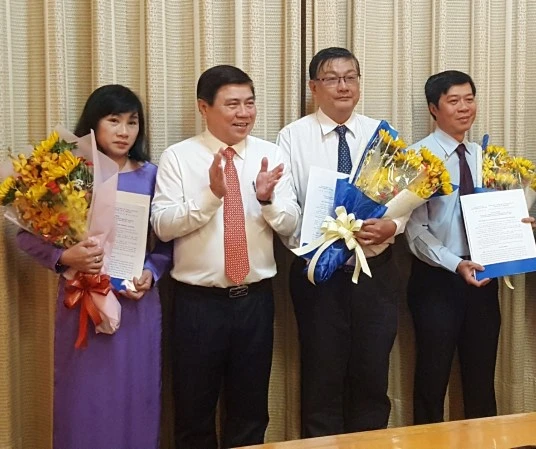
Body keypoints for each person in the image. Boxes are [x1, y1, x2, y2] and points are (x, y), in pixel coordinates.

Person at [151, 65, 300, 449]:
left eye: (250, 103)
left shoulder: (270, 154)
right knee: (193, 414)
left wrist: (266, 199)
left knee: (250, 414)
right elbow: (162, 226)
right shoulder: (178, 157)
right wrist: (211, 196)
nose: (244, 113)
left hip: (255, 302)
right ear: (204, 107)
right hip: (197, 305)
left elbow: (290, 225)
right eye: (232, 104)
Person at [16, 84, 171, 449]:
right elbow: (25, 235)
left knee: (136, 396)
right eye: (113, 120)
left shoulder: (153, 175)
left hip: (135, 304)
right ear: (93, 124)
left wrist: (152, 272)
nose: (124, 131)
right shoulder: (67, 175)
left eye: (132, 122)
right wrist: (65, 257)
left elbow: (168, 242)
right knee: (84, 400)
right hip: (81, 302)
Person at [277, 47, 404, 438]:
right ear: (314, 87)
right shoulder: (292, 137)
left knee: (372, 376)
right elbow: (285, 207)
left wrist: (393, 226)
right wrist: (317, 244)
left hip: (376, 274)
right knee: (322, 378)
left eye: (350, 77)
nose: (343, 86)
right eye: (332, 79)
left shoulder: (382, 136)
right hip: (319, 276)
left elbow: (404, 198)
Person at [404, 70, 536, 424]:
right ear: (434, 108)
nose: (464, 108)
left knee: (481, 380)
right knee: (431, 380)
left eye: (469, 99)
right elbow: (414, 230)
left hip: (484, 278)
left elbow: (498, 214)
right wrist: (454, 263)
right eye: (454, 101)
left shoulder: (486, 157)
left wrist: (518, 225)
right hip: (436, 281)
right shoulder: (417, 159)